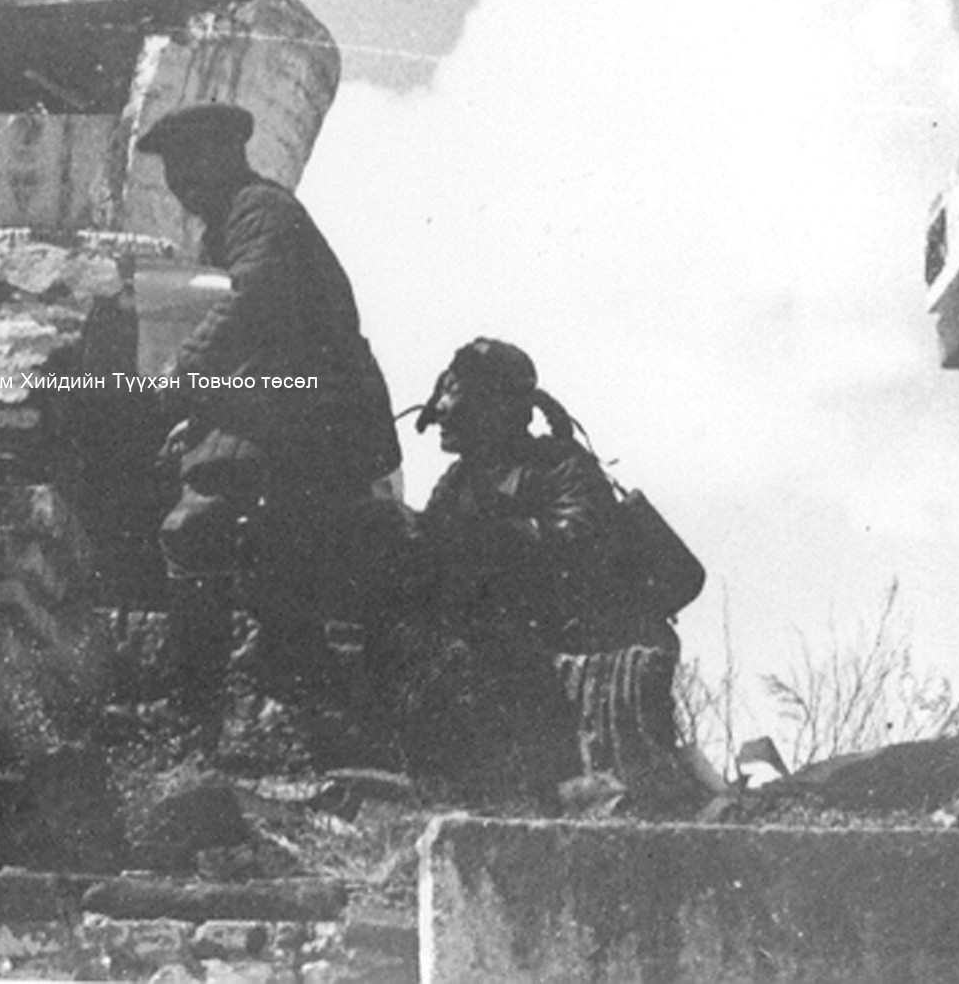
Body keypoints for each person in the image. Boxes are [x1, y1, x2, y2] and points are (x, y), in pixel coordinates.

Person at [136, 102, 402, 718]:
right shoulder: (230, 224)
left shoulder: (259, 211)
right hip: (288, 407)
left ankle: (193, 711)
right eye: (173, 169)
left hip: (315, 409)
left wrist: (184, 369)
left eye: (190, 163)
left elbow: (251, 302)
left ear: (225, 154)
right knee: (268, 562)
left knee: (197, 528)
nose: (181, 182)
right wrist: (198, 418)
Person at [412, 337, 687, 801]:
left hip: (572, 637)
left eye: (454, 393)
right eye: (443, 392)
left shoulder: (559, 464)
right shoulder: (458, 481)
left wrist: (488, 537)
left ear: (495, 408)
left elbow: (579, 549)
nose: (440, 408)